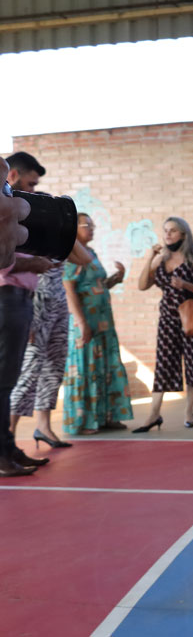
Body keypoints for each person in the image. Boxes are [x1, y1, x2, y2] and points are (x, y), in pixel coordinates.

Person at [10, 191, 90, 448]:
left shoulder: (58, 240)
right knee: (30, 368)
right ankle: (8, 433)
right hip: (35, 304)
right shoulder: (24, 237)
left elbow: (84, 259)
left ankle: (43, 427)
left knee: (54, 367)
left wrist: (66, 233)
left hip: (58, 305)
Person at [0, 153, 54, 476]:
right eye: (31, 182)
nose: (34, 189)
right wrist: (36, 264)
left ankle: (8, 448)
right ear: (15, 174)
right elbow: (5, 262)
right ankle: (2, 454)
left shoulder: (15, 209)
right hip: (8, 297)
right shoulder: (6, 210)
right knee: (3, 383)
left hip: (19, 299)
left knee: (7, 381)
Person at [135, 217, 193, 431]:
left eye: (173, 231)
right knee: (163, 364)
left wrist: (186, 284)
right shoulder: (161, 260)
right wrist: (150, 257)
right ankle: (153, 414)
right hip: (168, 320)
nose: (168, 234)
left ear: (184, 235)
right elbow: (142, 285)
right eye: (165, 231)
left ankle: (189, 410)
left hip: (192, 319)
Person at [61, 213, 133, 435]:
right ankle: (85, 421)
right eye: (86, 225)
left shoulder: (90, 253)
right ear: (75, 228)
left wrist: (116, 278)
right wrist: (81, 322)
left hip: (103, 321)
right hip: (87, 321)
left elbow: (97, 286)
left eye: (92, 225)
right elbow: (69, 288)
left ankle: (106, 416)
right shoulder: (71, 254)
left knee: (106, 367)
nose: (91, 229)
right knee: (88, 367)